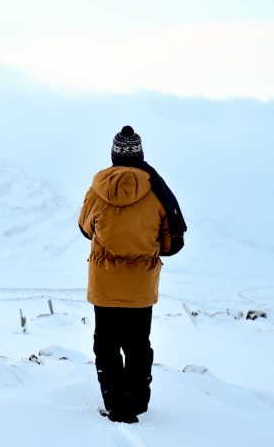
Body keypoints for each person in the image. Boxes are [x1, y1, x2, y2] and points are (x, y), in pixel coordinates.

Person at [78, 125, 186, 423]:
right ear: (140, 154)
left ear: (113, 154)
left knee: (106, 346)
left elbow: (85, 229)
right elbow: (171, 244)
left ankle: (117, 406)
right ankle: (137, 402)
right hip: (141, 288)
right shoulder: (156, 190)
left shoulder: (97, 188)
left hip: (105, 284)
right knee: (138, 345)